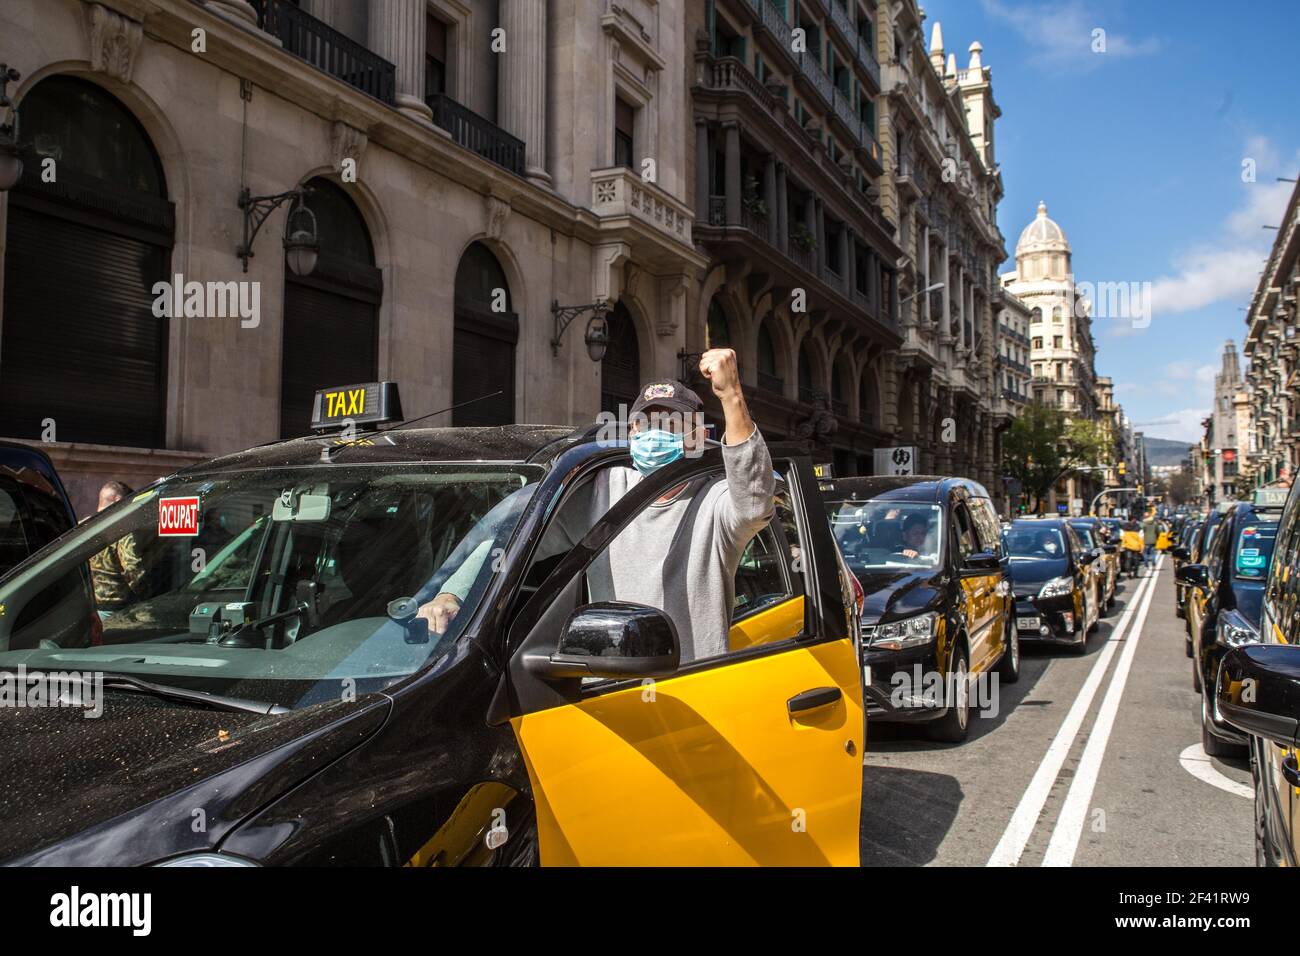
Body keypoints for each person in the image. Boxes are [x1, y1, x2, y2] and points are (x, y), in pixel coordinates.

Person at [416, 348, 774, 664]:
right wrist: (454, 591)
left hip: (695, 691)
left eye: (671, 423)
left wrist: (731, 395)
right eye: (644, 422)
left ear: (697, 436)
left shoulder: (714, 501)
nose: (654, 432)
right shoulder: (604, 490)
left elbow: (755, 502)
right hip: (610, 693)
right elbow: (515, 540)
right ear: (632, 431)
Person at [88, 481, 150, 615]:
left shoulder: (81, 527)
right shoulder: (121, 531)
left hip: (89, 609)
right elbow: (133, 569)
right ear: (119, 502)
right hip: (117, 609)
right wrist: (150, 597)